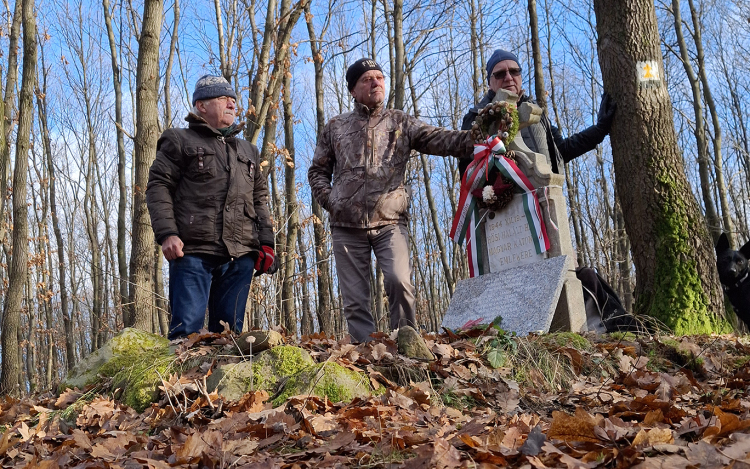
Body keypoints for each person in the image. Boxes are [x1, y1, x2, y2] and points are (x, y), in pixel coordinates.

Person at [308, 58, 473, 343]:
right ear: (353, 89)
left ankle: (406, 348)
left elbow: (440, 139)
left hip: (390, 222)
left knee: (400, 282)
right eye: (367, 79)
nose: (375, 83)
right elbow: (317, 171)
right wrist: (331, 199)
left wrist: (476, 137)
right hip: (346, 225)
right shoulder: (335, 127)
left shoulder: (400, 122)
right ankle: (364, 354)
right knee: (354, 299)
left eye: (379, 78)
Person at [146, 75, 276, 340]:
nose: (232, 104)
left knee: (230, 338)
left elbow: (260, 199)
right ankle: (181, 382)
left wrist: (267, 244)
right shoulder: (178, 140)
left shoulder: (249, 151)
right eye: (223, 99)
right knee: (185, 335)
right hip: (193, 252)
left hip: (240, 255)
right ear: (201, 106)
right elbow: (158, 187)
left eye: (233, 100)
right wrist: (167, 234)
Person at [460, 49, 616, 175]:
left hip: (546, 200)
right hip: (503, 208)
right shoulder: (476, 117)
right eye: (500, 74)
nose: (508, 78)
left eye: (514, 71)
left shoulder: (534, 112)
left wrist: (600, 130)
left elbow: (562, 150)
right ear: (489, 82)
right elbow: (468, 172)